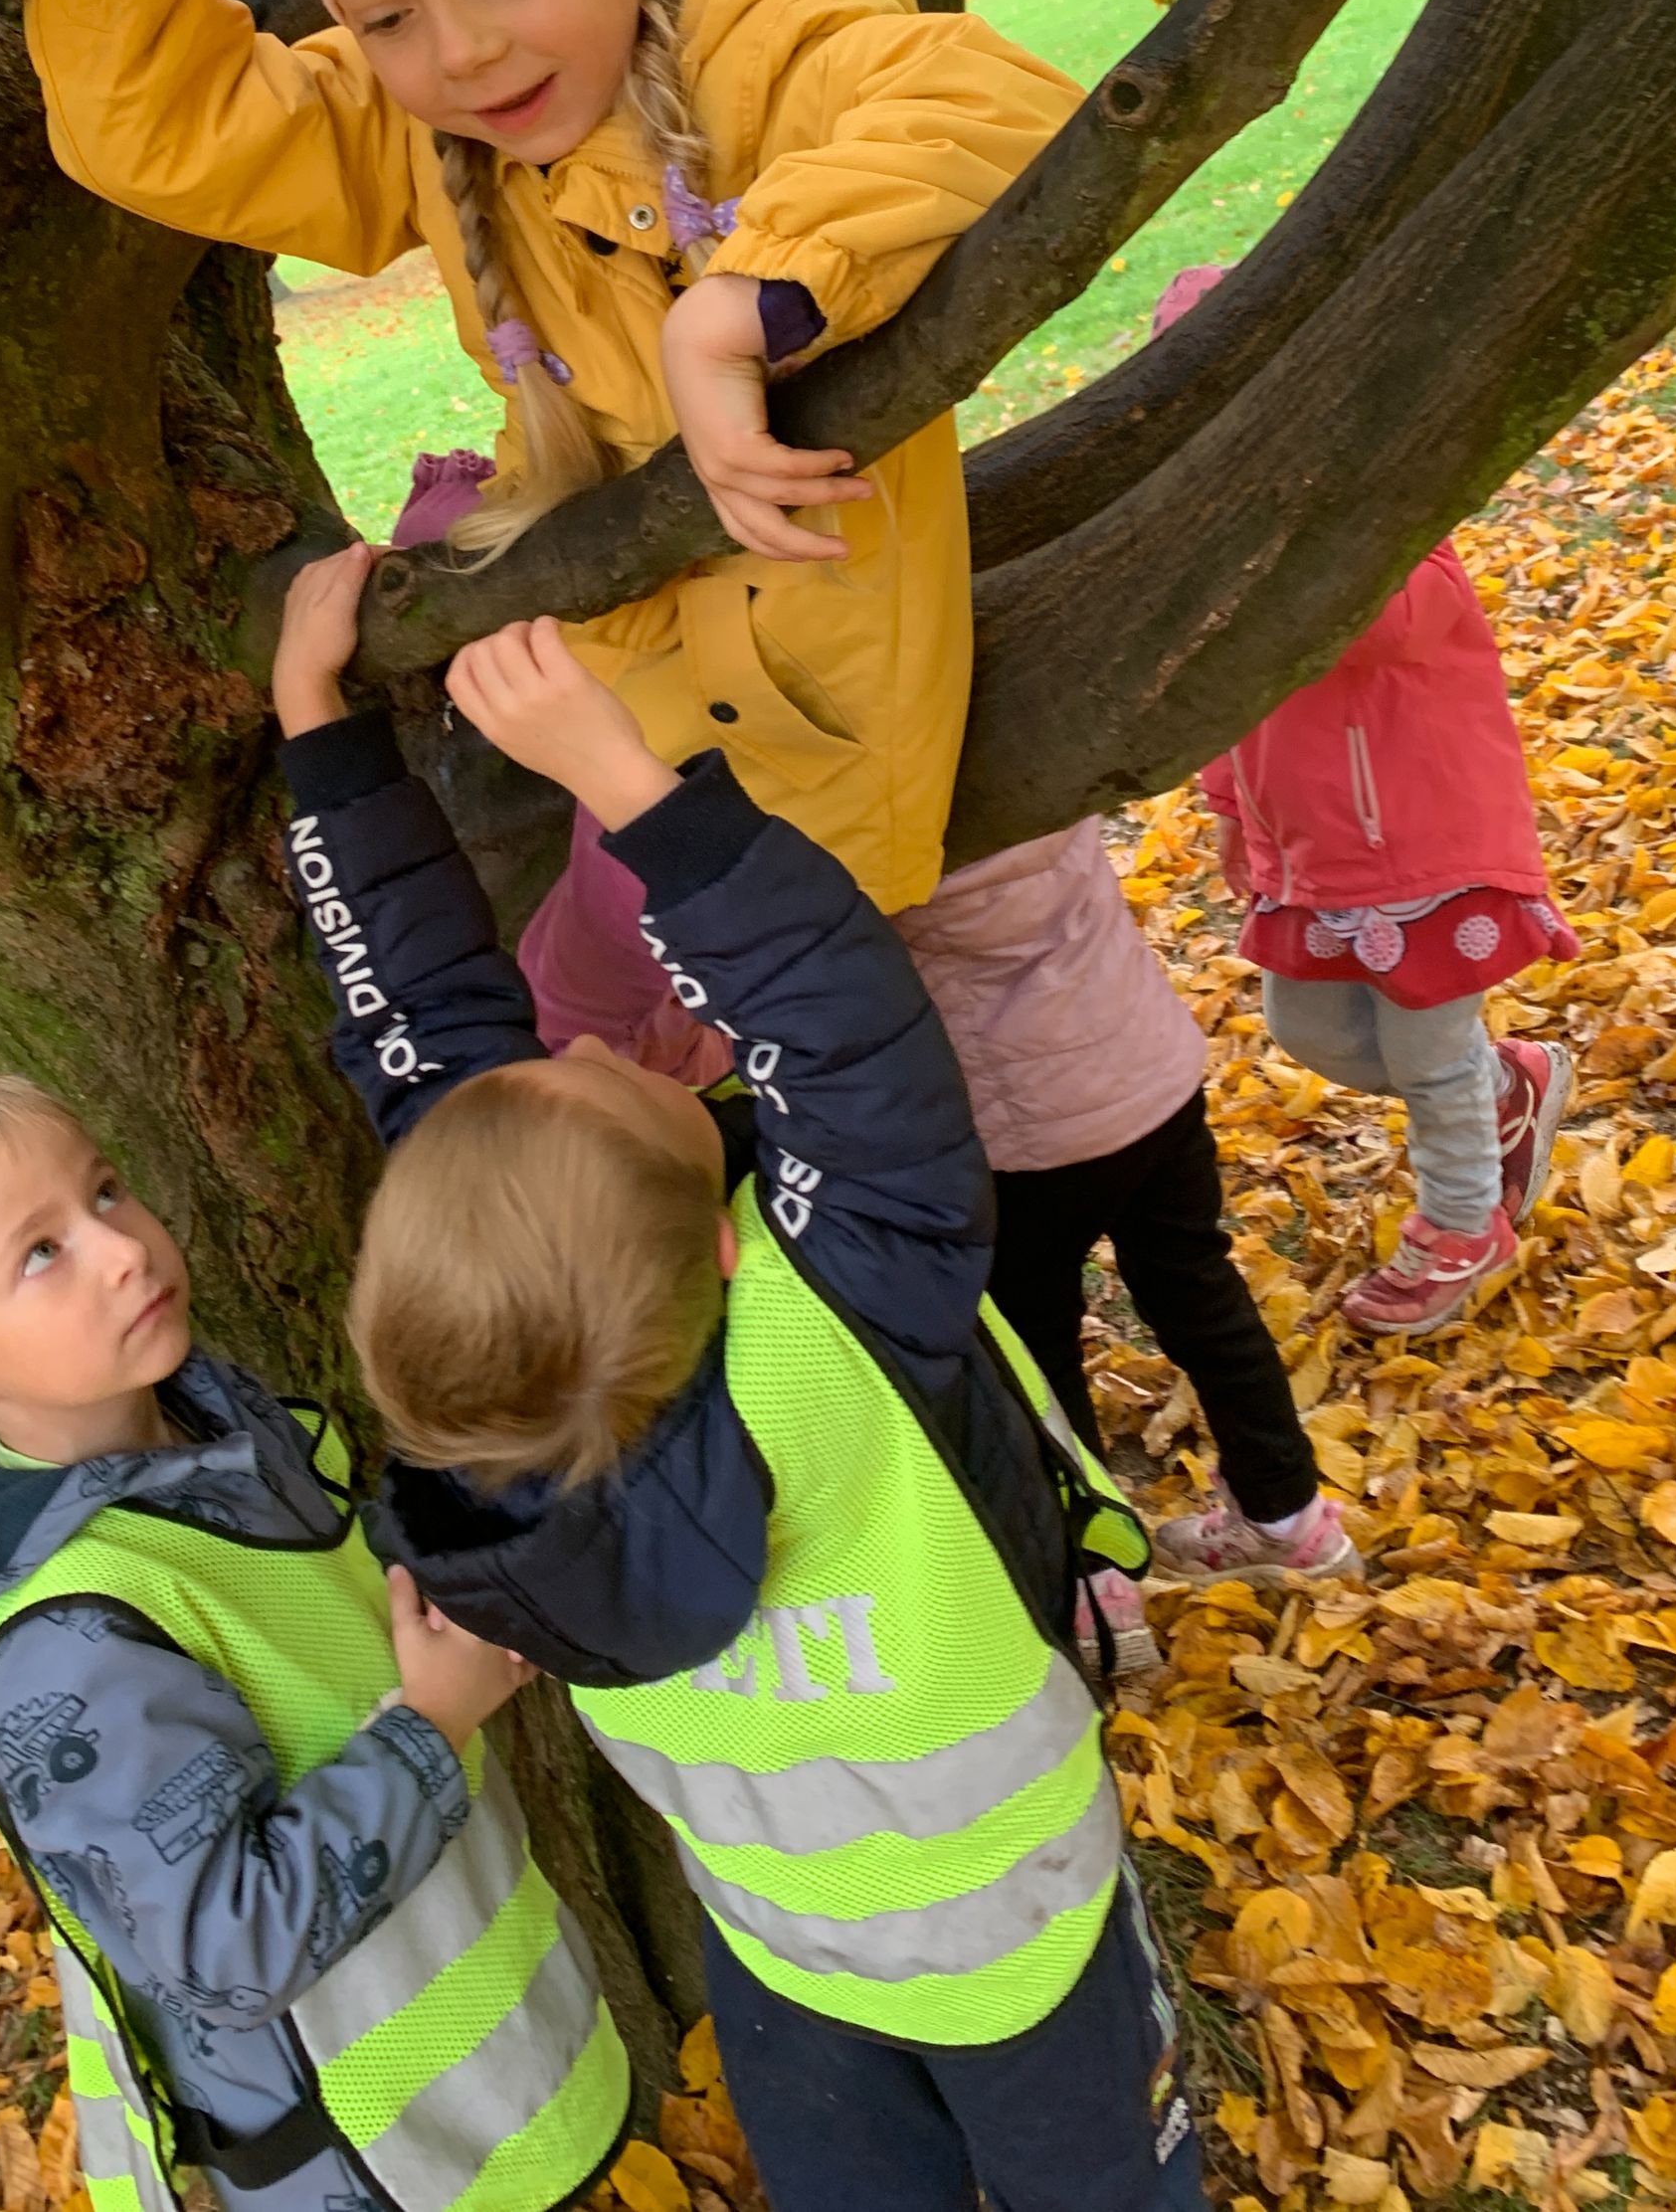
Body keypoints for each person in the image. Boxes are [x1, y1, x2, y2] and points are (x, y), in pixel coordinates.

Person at [0, 0, 1331, 1576]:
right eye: (387, 12)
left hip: (796, 788)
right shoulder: (435, 126)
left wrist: (744, 297)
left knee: (839, 1227)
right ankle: (781, 1522)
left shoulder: (758, 16)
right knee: (644, 1217)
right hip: (644, 764)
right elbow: (175, 126)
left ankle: (982, 1531)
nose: (457, 48)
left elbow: (983, 100)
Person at [270, 549, 1207, 2212]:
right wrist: (625, 776)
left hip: (785, 1946)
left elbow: (418, 1028)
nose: (579, 1044)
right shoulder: (837, 1324)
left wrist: (318, 728)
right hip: (1029, 1934)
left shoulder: (491, 1425)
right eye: (611, 1081)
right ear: (720, 1247)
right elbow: (843, 1031)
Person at [0, 1071, 629, 2212]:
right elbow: (227, 1947)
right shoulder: (70, 1648)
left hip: (501, 2063)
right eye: (41, 1253)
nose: (123, 1248)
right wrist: (434, 1722)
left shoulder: (218, 1428)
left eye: (104, 1193)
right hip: (388, 2163)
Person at [1159, 264, 1579, 1338]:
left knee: (1428, 1055)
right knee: (1311, 1030)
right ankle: (1505, 1086)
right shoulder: (1215, 543)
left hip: (1424, 842)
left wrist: (1290, 534)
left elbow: (1396, 623)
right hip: (1310, 849)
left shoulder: (1386, 507)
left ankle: (1463, 1222)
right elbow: (1224, 696)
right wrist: (1231, 812)